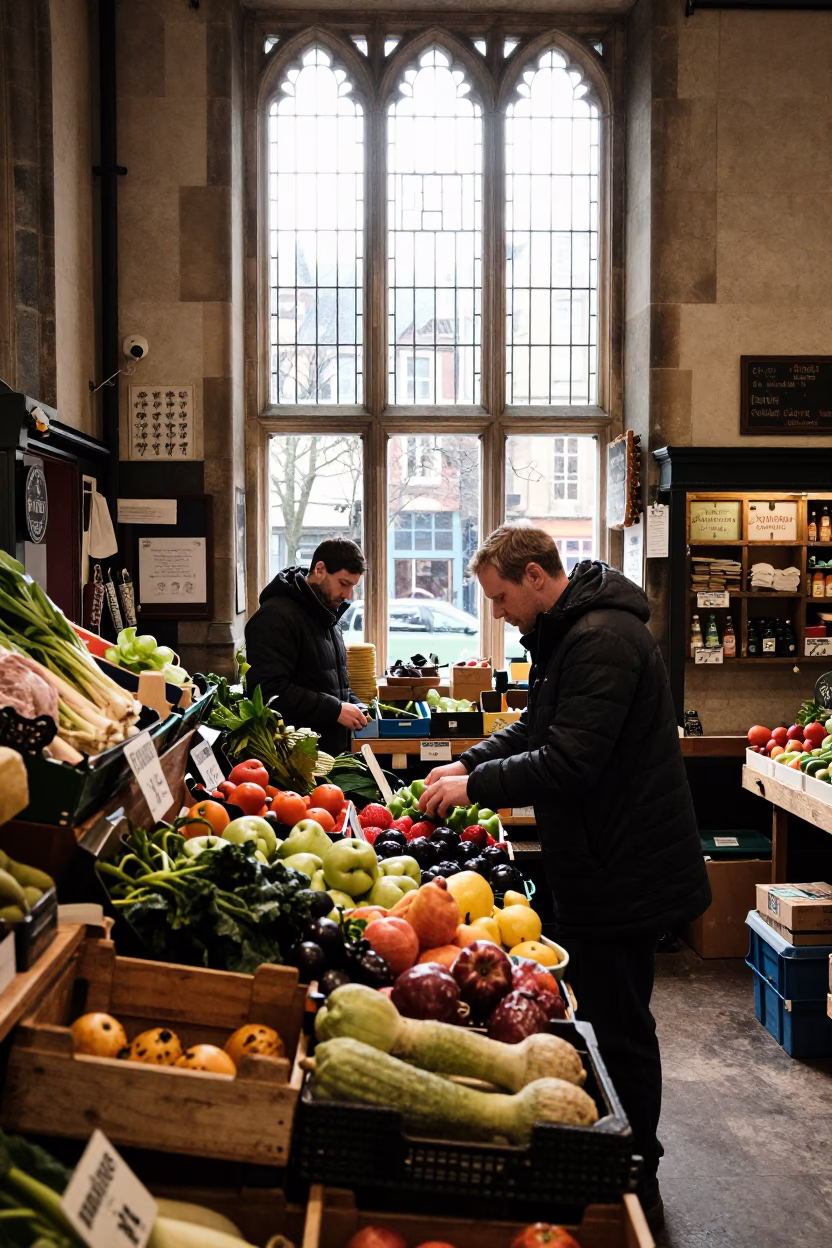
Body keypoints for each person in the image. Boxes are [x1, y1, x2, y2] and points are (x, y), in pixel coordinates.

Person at [419, 522, 710, 1228]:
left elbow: (571, 761)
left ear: (536, 579)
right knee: (612, 1014)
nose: (496, 613)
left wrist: (475, 787)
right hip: (605, 860)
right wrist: (471, 762)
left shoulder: (600, 639)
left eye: (499, 597)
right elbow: (539, 727)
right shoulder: (572, 632)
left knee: (622, 1023)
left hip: (623, 867)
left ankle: (637, 1162)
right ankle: (623, 1149)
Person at [245, 537, 368, 755]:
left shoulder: (326, 612)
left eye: (352, 587)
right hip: (293, 760)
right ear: (320, 569)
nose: (348, 595)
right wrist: (335, 709)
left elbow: (326, 680)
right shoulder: (274, 617)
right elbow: (269, 691)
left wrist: (354, 704)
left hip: (328, 754)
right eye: (344, 583)